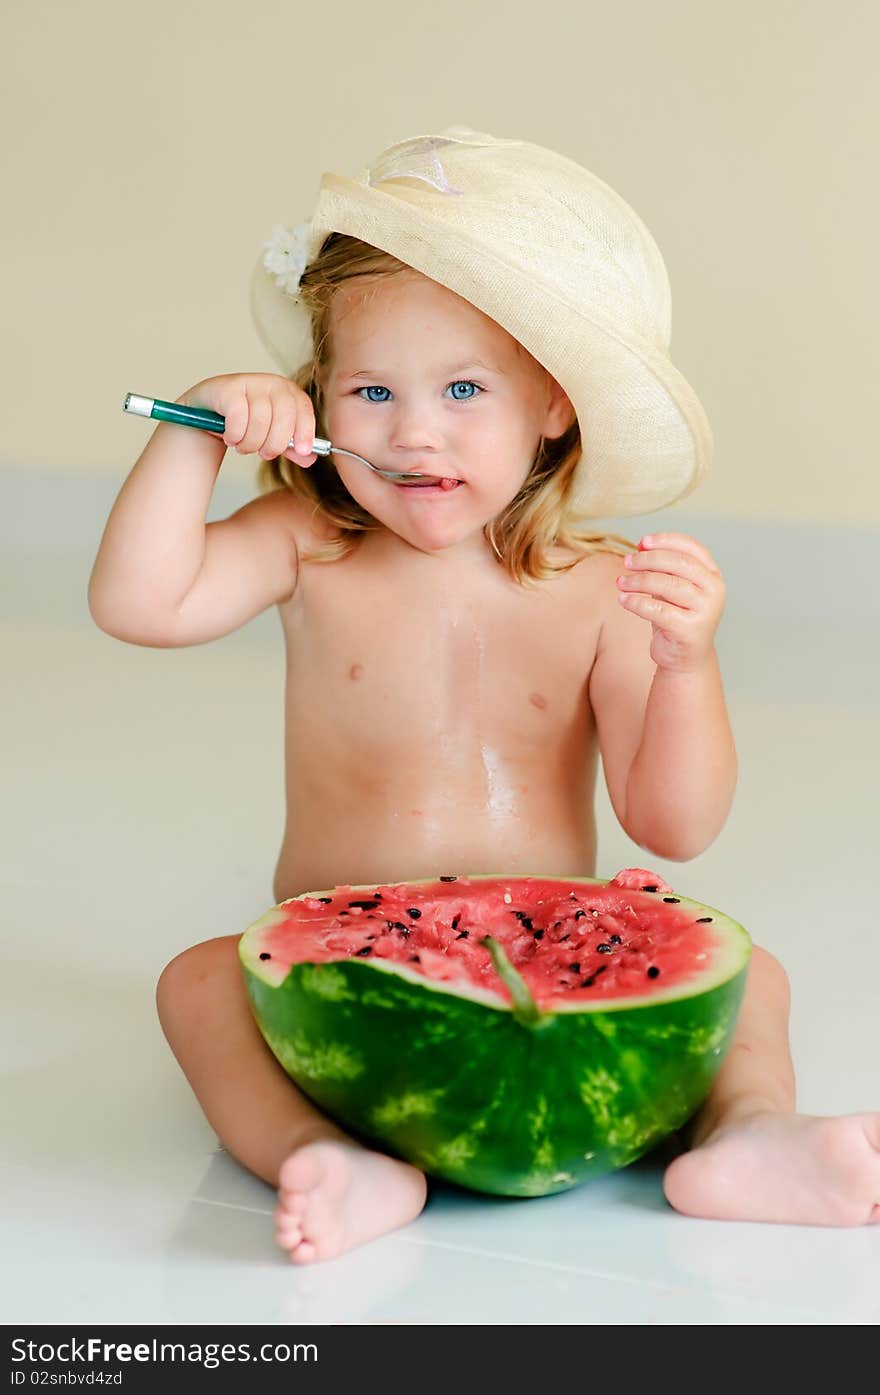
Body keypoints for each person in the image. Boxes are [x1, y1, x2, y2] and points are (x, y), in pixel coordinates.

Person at [89, 129, 879, 1263]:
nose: (414, 431)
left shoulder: (602, 589)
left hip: (557, 984)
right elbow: (140, 604)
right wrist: (195, 426)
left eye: (464, 388)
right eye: (371, 390)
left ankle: (750, 1138)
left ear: (551, 410)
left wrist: (686, 666)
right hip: (343, 994)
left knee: (758, 980)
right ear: (316, 405)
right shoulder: (306, 543)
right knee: (198, 982)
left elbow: (675, 826)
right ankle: (328, 1153)